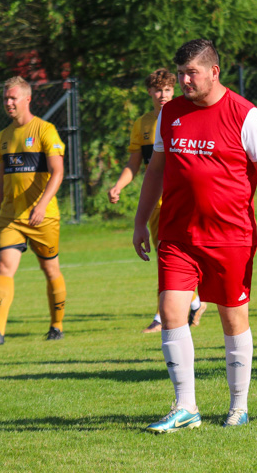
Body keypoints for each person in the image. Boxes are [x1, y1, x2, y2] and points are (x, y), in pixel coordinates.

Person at [133, 39, 257, 432]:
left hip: (230, 236)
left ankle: (239, 405)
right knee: (172, 312)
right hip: (176, 234)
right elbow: (155, 170)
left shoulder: (245, 116)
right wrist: (140, 222)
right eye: (182, 73)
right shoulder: (169, 113)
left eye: (193, 73)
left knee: (232, 317)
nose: (185, 80)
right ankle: (185, 405)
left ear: (214, 72)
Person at [0, 77, 67, 346]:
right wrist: (1, 210)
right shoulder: (2, 137)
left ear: (27, 99)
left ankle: (56, 326)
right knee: (4, 267)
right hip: (11, 218)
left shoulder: (45, 130)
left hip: (43, 217)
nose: (8, 103)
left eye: (13, 98)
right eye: (5, 98)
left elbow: (58, 172)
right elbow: (2, 178)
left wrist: (42, 204)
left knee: (50, 270)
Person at [108, 69, 206, 333]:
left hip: (183, 197)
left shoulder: (185, 113)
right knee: (166, 255)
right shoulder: (142, 124)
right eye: (157, 90)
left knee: (177, 252)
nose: (163, 94)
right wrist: (119, 184)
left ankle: (163, 315)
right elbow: (135, 163)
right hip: (156, 201)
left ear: (173, 90)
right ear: (149, 92)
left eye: (167, 89)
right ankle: (195, 301)